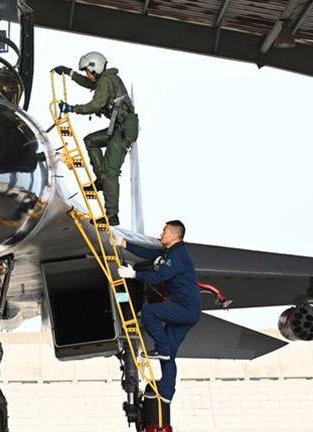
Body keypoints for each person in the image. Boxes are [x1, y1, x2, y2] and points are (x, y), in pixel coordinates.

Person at [118, 220, 201, 403]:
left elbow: (159, 277)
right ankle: (166, 393)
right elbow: (150, 253)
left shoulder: (178, 256)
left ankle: (161, 349)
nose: (161, 233)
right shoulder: (169, 252)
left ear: (173, 235)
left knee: (149, 313)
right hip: (186, 309)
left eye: (164, 231)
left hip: (185, 308)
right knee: (169, 354)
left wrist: (134, 275)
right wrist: (125, 244)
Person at [52, 52, 139, 226]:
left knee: (110, 171)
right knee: (90, 141)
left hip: (124, 129)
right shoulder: (104, 80)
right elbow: (90, 83)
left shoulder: (106, 81)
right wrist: (71, 73)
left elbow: (96, 105)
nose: (87, 75)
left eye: (87, 72)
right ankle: (100, 181)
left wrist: (72, 108)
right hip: (118, 127)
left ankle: (112, 215)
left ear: (95, 68)